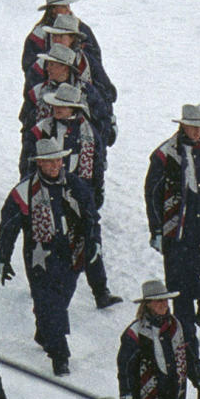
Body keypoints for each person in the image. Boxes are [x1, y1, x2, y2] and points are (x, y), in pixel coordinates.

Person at [0, 138, 101, 376]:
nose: (55, 166)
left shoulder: (75, 185)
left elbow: (91, 218)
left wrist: (94, 242)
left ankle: (44, 332)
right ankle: (60, 355)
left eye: (58, 160)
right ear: (39, 163)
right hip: (40, 258)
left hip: (72, 254)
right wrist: (3, 258)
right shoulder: (24, 192)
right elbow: (8, 227)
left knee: (59, 301)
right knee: (50, 305)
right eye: (49, 162)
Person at [21, 83, 122, 310]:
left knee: (90, 238)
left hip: (79, 193)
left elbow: (97, 165)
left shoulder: (88, 131)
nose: (57, 109)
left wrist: (96, 192)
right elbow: (28, 160)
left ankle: (100, 291)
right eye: (56, 105)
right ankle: (38, 283)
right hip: (46, 192)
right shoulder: (41, 130)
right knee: (40, 238)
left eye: (63, 106)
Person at [145, 105, 200, 346]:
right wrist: (157, 229)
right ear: (182, 125)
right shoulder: (165, 154)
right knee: (181, 285)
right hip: (179, 230)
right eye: (192, 126)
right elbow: (153, 194)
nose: (197, 131)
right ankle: (185, 333)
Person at [19, 43, 112, 143]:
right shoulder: (38, 91)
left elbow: (103, 121)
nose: (47, 68)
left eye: (52, 65)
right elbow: (25, 118)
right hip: (44, 153)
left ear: (65, 67)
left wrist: (96, 143)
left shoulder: (86, 92)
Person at [21, 0, 101, 81]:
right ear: (53, 9)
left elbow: (95, 57)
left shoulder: (81, 29)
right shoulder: (37, 36)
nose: (68, 9)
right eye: (63, 6)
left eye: (68, 6)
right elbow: (29, 65)